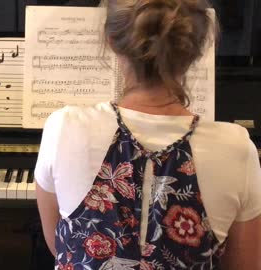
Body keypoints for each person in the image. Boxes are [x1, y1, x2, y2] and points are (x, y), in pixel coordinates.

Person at [35, 0, 261, 269]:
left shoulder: (64, 127)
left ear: (111, 41)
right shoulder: (236, 148)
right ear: (198, 48)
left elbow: (59, 247)